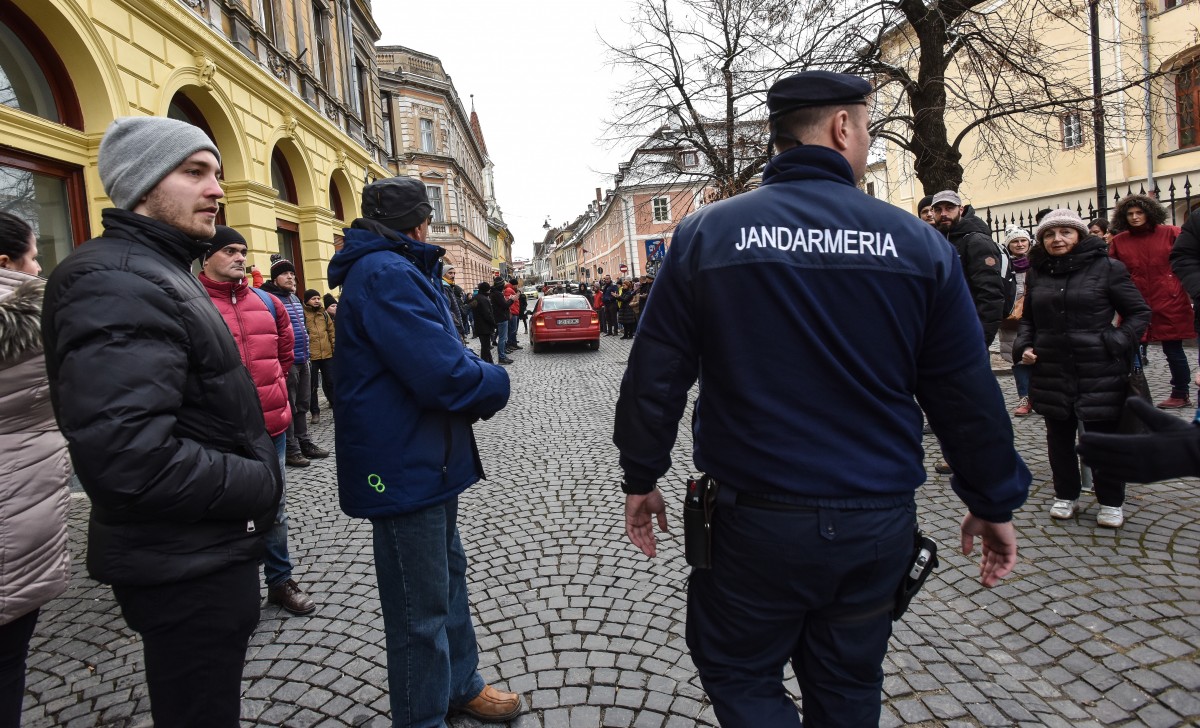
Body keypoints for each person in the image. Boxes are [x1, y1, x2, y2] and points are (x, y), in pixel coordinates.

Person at [613, 71, 1030, 728]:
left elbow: (655, 373)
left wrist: (641, 475)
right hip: (874, 522)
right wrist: (990, 499)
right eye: (866, 125)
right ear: (842, 126)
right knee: (848, 681)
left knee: (738, 669)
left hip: (756, 523)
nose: (866, 138)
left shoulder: (708, 235)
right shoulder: (919, 245)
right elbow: (964, 393)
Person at [41, 116, 281, 726]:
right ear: (144, 184)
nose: (217, 190)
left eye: (218, 174)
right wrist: (258, 482)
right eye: (194, 172)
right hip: (183, 558)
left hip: (201, 549)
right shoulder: (116, 278)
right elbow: (129, 460)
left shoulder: (157, 268)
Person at [327, 176, 524, 726]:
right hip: (403, 464)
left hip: (427, 458)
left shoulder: (396, 266)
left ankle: (461, 685)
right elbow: (443, 373)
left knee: (448, 579)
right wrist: (496, 381)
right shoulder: (387, 272)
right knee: (419, 608)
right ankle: (422, 718)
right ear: (419, 224)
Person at [200, 226, 316, 616]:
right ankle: (234, 590)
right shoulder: (191, 302)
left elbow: (284, 357)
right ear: (207, 256)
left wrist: (267, 395)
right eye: (229, 250)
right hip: (218, 431)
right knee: (225, 512)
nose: (239, 257)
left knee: (275, 506)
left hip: (270, 425)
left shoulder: (269, 303)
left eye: (243, 250)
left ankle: (280, 581)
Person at [1013, 209, 1150, 529]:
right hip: (1052, 369)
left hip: (1099, 368)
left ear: (1079, 235)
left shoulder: (1108, 269)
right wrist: (1025, 346)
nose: (1057, 239)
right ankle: (1066, 494)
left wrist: (1116, 340)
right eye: (1049, 234)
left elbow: (1139, 313)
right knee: (1058, 438)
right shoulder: (1037, 273)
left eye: (1065, 232)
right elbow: (1028, 320)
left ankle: (1111, 500)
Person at [0, 212, 70, 725]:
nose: (40, 266)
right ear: (6, 263)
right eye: (33, 257)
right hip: (16, 510)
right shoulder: (35, 322)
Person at [1108, 194, 1194, 409]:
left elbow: (1186, 259)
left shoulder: (1171, 233)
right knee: (1130, 351)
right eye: (1130, 214)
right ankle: (1131, 394)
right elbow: (1112, 272)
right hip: (1135, 302)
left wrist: (1177, 283)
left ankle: (1181, 392)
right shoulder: (1119, 241)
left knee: (1173, 350)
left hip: (1169, 299)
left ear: (1150, 212)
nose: (1135, 217)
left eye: (1139, 212)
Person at [262, 259, 330, 466]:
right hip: (287, 361)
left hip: (303, 358)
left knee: (302, 404)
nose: (291, 277)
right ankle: (291, 448)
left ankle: (304, 442)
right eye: (285, 274)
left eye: (293, 273)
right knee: (289, 406)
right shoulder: (269, 299)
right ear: (275, 278)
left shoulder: (293, 298)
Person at [930, 189, 1006, 346]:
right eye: (938, 209)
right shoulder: (935, 240)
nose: (943, 213)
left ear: (961, 209)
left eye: (949, 208)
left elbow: (990, 294)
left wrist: (981, 340)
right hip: (941, 333)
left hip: (968, 334)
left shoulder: (976, 241)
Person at [997, 226, 1034, 416]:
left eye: (1023, 241)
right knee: (1018, 359)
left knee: (1038, 357)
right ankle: (1024, 397)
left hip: (1036, 317)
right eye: (1015, 241)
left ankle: (1040, 395)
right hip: (1012, 320)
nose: (1019, 244)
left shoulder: (1038, 263)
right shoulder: (1003, 265)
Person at [304, 288, 336, 425]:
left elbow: (331, 332)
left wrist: (334, 349)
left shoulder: (324, 314)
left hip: (327, 354)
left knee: (331, 383)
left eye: (318, 298)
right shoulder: (303, 314)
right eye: (314, 299)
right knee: (312, 386)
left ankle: (337, 409)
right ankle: (315, 412)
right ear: (307, 301)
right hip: (312, 356)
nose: (317, 301)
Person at [471, 281, 498, 363]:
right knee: (485, 348)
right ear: (487, 290)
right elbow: (487, 314)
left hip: (479, 326)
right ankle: (485, 364)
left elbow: (473, 310)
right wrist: (494, 324)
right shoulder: (484, 299)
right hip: (485, 327)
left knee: (485, 346)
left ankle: (490, 363)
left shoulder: (475, 298)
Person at [441, 266, 468, 343]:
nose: (453, 275)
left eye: (454, 273)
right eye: (450, 273)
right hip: (453, 327)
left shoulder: (449, 286)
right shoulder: (445, 287)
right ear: (443, 274)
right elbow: (448, 309)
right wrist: (458, 327)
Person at [490, 280, 513, 364]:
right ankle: (502, 357)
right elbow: (505, 305)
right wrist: (512, 300)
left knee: (502, 338)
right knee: (502, 339)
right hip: (501, 318)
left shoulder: (494, 293)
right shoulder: (498, 294)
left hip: (499, 317)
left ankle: (503, 356)